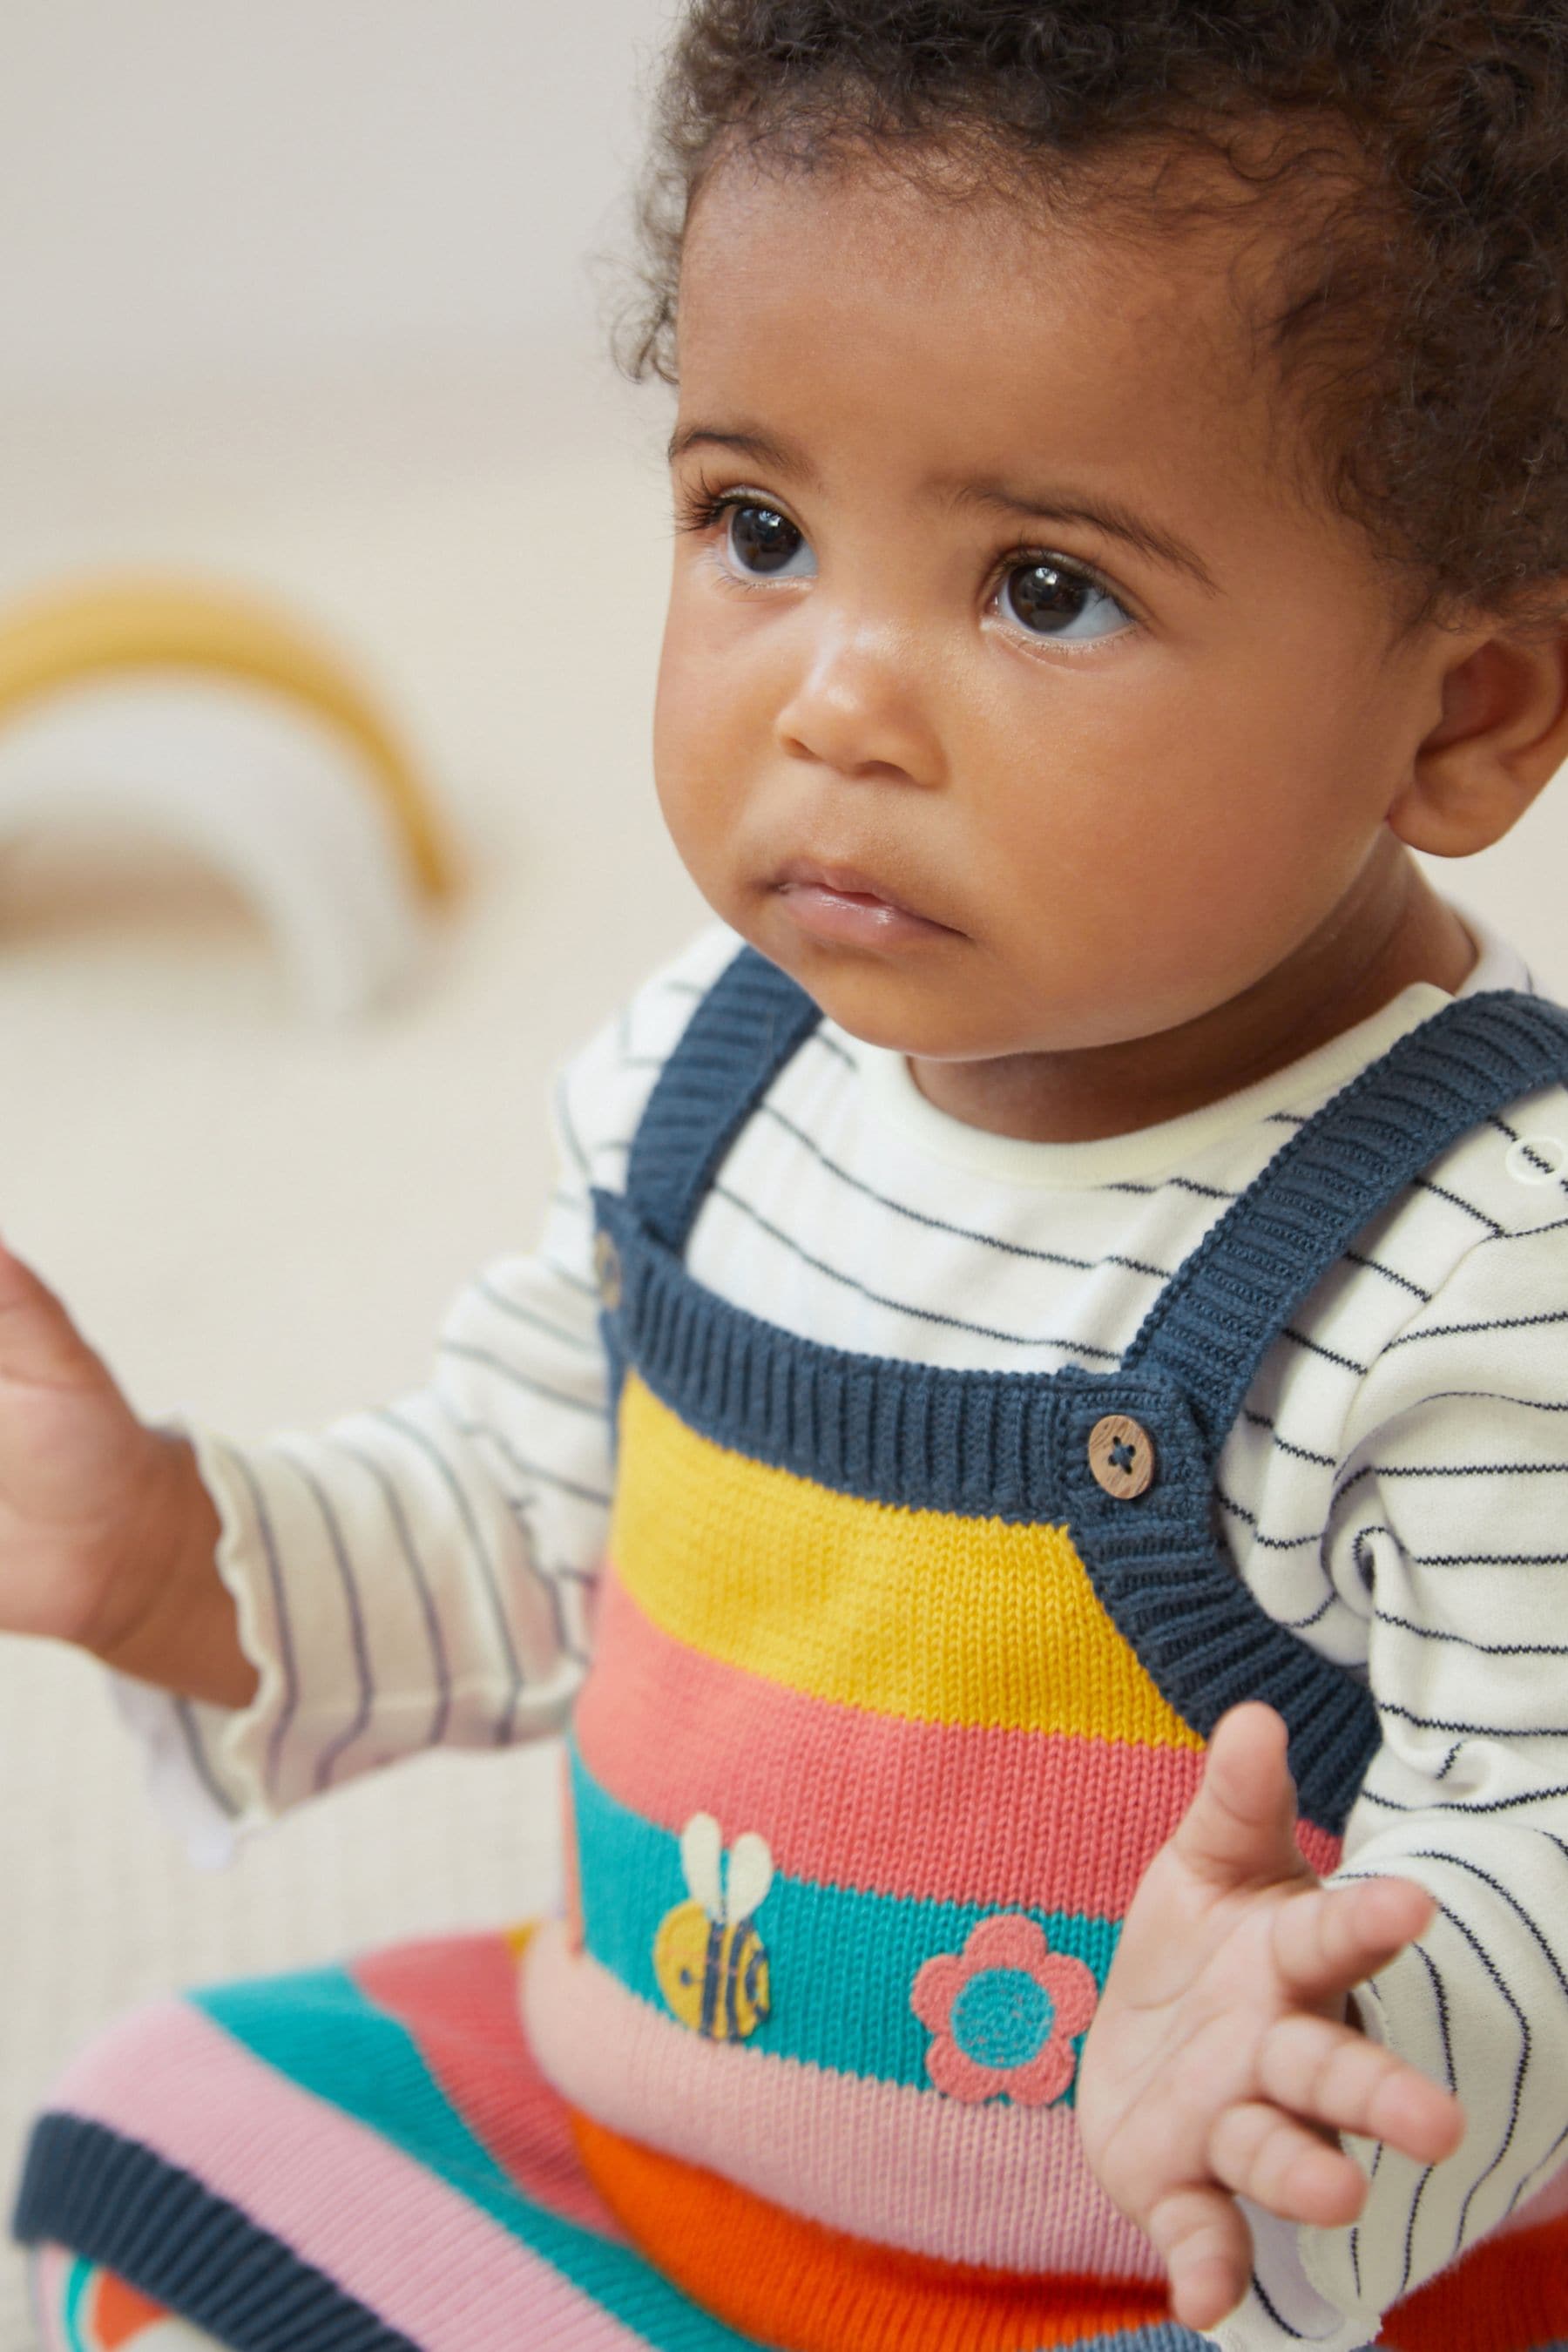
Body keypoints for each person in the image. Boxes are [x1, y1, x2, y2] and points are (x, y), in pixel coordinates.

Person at [10, 3, 1568, 2347]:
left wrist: (1322, 2046)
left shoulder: (1471, 1260)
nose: (833, 695)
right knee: (166, 2125)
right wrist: (159, 1548)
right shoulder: (712, 1074)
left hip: (1157, 2279)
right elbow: (518, 1536)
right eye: (759, 527)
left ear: (1457, 716)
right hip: (632, 2160)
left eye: (1046, 585)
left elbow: (1540, 1848)